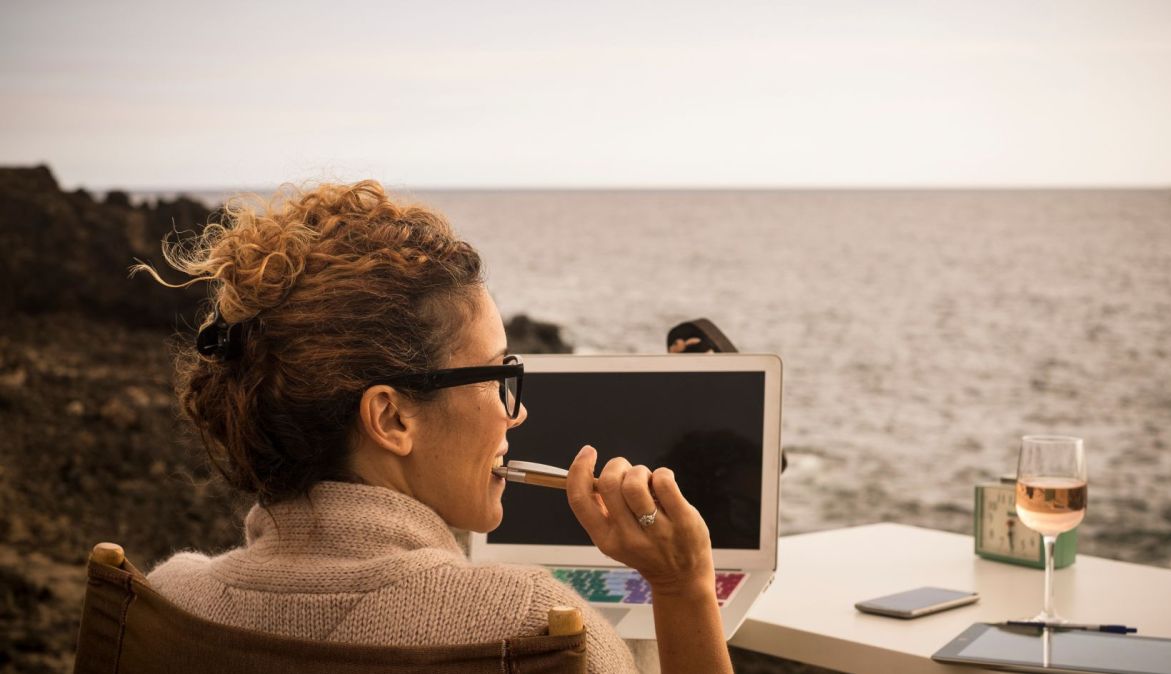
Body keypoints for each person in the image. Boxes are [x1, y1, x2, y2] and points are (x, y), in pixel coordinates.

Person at [137, 180, 733, 674]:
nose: (516, 412)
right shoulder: (531, 626)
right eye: (498, 376)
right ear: (391, 418)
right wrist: (682, 587)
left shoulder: (168, 600)